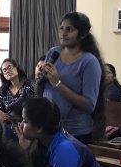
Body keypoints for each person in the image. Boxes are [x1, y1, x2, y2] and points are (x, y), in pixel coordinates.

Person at [40, 12, 105, 143]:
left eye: (69, 29)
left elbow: (89, 104)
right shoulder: (54, 52)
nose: (63, 33)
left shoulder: (89, 61)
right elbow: (46, 85)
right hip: (49, 126)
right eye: (61, 28)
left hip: (75, 132)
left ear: (82, 34)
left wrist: (57, 84)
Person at [0, 58, 36, 139]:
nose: (7, 71)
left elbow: (32, 110)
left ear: (17, 68)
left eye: (10, 67)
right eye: (4, 70)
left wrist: (8, 117)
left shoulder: (28, 86)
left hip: (26, 125)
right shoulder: (4, 90)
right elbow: (1, 110)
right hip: (8, 127)